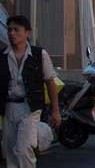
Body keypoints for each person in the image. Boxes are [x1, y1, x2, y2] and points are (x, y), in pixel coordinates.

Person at [0, 16, 60, 168]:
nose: (12, 33)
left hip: (30, 108)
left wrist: (55, 110)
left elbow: (50, 81)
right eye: (10, 30)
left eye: (16, 30)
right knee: (10, 152)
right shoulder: (3, 56)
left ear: (27, 33)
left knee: (23, 148)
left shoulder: (40, 54)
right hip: (8, 107)